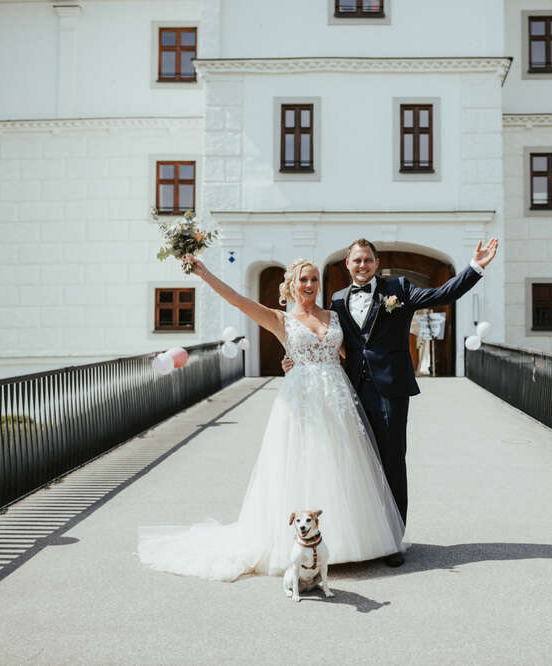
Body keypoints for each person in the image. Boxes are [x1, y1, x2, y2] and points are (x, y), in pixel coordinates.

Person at [137, 256, 404, 582]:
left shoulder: (335, 316)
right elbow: (239, 301)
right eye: (303, 280)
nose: (309, 285)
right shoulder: (281, 319)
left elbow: (356, 352)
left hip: (337, 397)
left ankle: (349, 542)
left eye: (314, 279)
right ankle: (299, 545)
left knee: (341, 463)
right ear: (291, 285)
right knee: (303, 461)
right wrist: (205, 273)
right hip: (301, 399)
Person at [284, 238, 498, 567]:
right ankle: (362, 536)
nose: (362, 265)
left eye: (367, 260)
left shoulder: (399, 288)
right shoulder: (338, 300)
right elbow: (329, 341)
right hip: (350, 392)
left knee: (392, 462)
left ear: (376, 262)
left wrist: (476, 267)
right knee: (358, 465)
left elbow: (442, 294)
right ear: (348, 264)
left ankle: (394, 540)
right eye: (356, 260)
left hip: (391, 389)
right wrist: (294, 362)